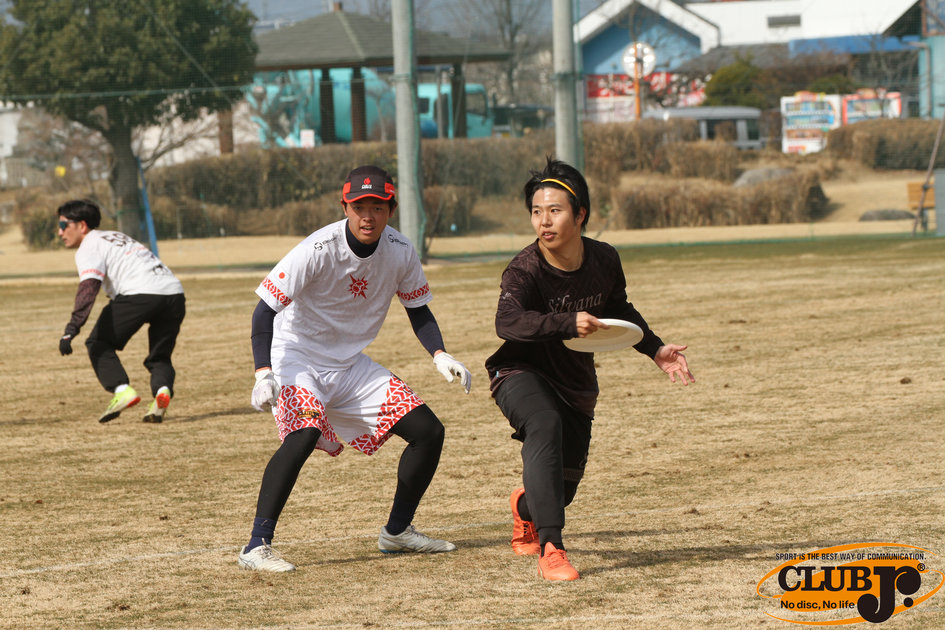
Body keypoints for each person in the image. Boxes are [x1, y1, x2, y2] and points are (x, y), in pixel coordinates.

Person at [238, 165, 472, 572]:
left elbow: (418, 310)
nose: (368, 216)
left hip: (349, 365)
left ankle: (397, 532)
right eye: (359, 206)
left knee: (428, 431)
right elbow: (263, 312)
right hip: (296, 357)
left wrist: (440, 354)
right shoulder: (317, 248)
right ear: (345, 207)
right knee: (305, 432)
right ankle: (256, 545)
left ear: (391, 210)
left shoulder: (400, 250)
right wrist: (263, 373)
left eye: (377, 207)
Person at [484, 158, 694, 581]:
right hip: (519, 371)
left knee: (562, 491)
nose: (544, 221)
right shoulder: (525, 268)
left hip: (575, 383)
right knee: (543, 423)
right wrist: (565, 322)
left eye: (555, 210)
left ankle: (525, 507)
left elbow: (619, 309)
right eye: (536, 212)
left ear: (580, 214)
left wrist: (655, 349)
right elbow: (507, 322)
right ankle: (552, 550)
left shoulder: (603, 259)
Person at [56, 199, 186, 424]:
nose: (60, 232)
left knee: (97, 343)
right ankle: (162, 392)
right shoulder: (115, 236)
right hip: (174, 293)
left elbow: (89, 287)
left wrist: (71, 329)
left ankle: (122, 390)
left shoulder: (89, 246)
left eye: (63, 225)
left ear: (82, 225)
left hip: (140, 293)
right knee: (160, 355)